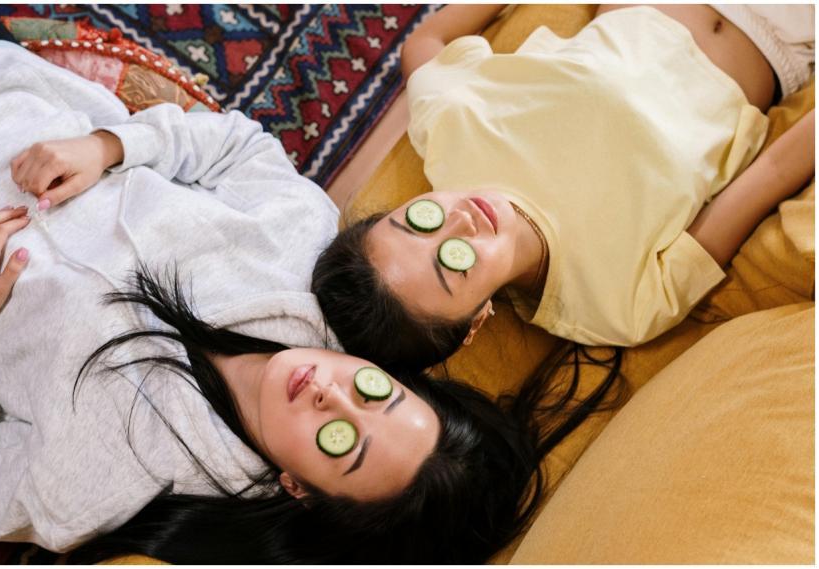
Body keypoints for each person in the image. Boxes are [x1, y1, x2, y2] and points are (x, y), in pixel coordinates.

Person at [0, 36, 624, 564]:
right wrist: (109, 147)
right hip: (8, 91)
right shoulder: (303, 253)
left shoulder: (109, 489)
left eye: (341, 441)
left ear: (302, 489)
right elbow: (237, 146)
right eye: (375, 392)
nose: (331, 395)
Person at [311, 4, 815, 373]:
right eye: (452, 264)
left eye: (417, 222)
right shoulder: (621, 309)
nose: (459, 222)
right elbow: (767, 175)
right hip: (785, 38)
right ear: (474, 323)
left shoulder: (449, 133)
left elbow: (420, 46)